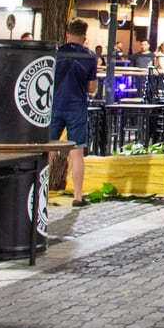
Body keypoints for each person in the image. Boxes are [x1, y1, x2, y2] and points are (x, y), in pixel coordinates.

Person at [50, 19, 99, 207]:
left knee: (49, 150)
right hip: (77, 107)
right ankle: (78, 196)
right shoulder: (90, 57)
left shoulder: (55, 53)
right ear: (84, 36)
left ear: (67, 33)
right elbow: (92, 87)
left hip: (54, 105)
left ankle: (40, 192)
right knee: (77, 152)